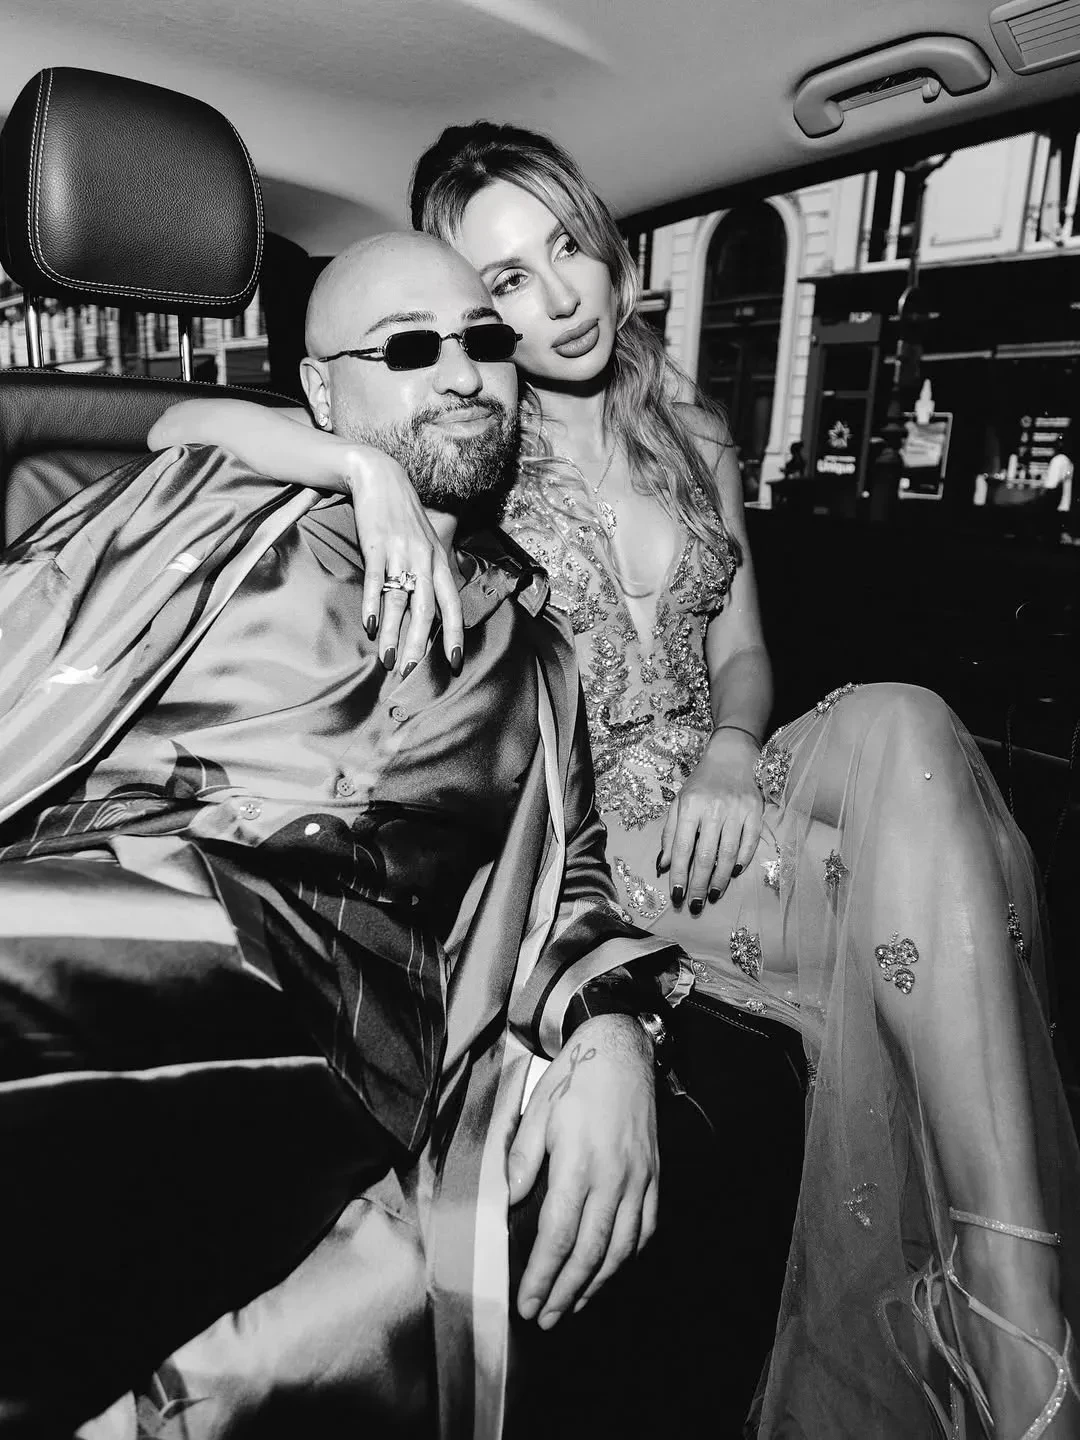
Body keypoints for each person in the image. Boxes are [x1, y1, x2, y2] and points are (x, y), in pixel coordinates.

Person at [148, 125, 1080, 1440]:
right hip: (603, 838)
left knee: (907, 725)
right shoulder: (464, 436)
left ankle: (1008, 1298)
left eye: (568, 248)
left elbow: (742, 653)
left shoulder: (689, 428)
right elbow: (183, 426)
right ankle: (1018, 1347)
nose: (561, 297)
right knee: (910, 896)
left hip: (721, 778)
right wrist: (351, 463)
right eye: (506, 283)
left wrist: (735, 750)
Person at [0, 232, 709, 1440]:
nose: (463, 373)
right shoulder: (220, 507)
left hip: (339, 1003)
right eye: (409, 348)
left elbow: (570, 873)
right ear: (321, 392)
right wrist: (339, 468)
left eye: (484, 341)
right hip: (114, 893)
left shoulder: (536, 658)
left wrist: (616, 1033)